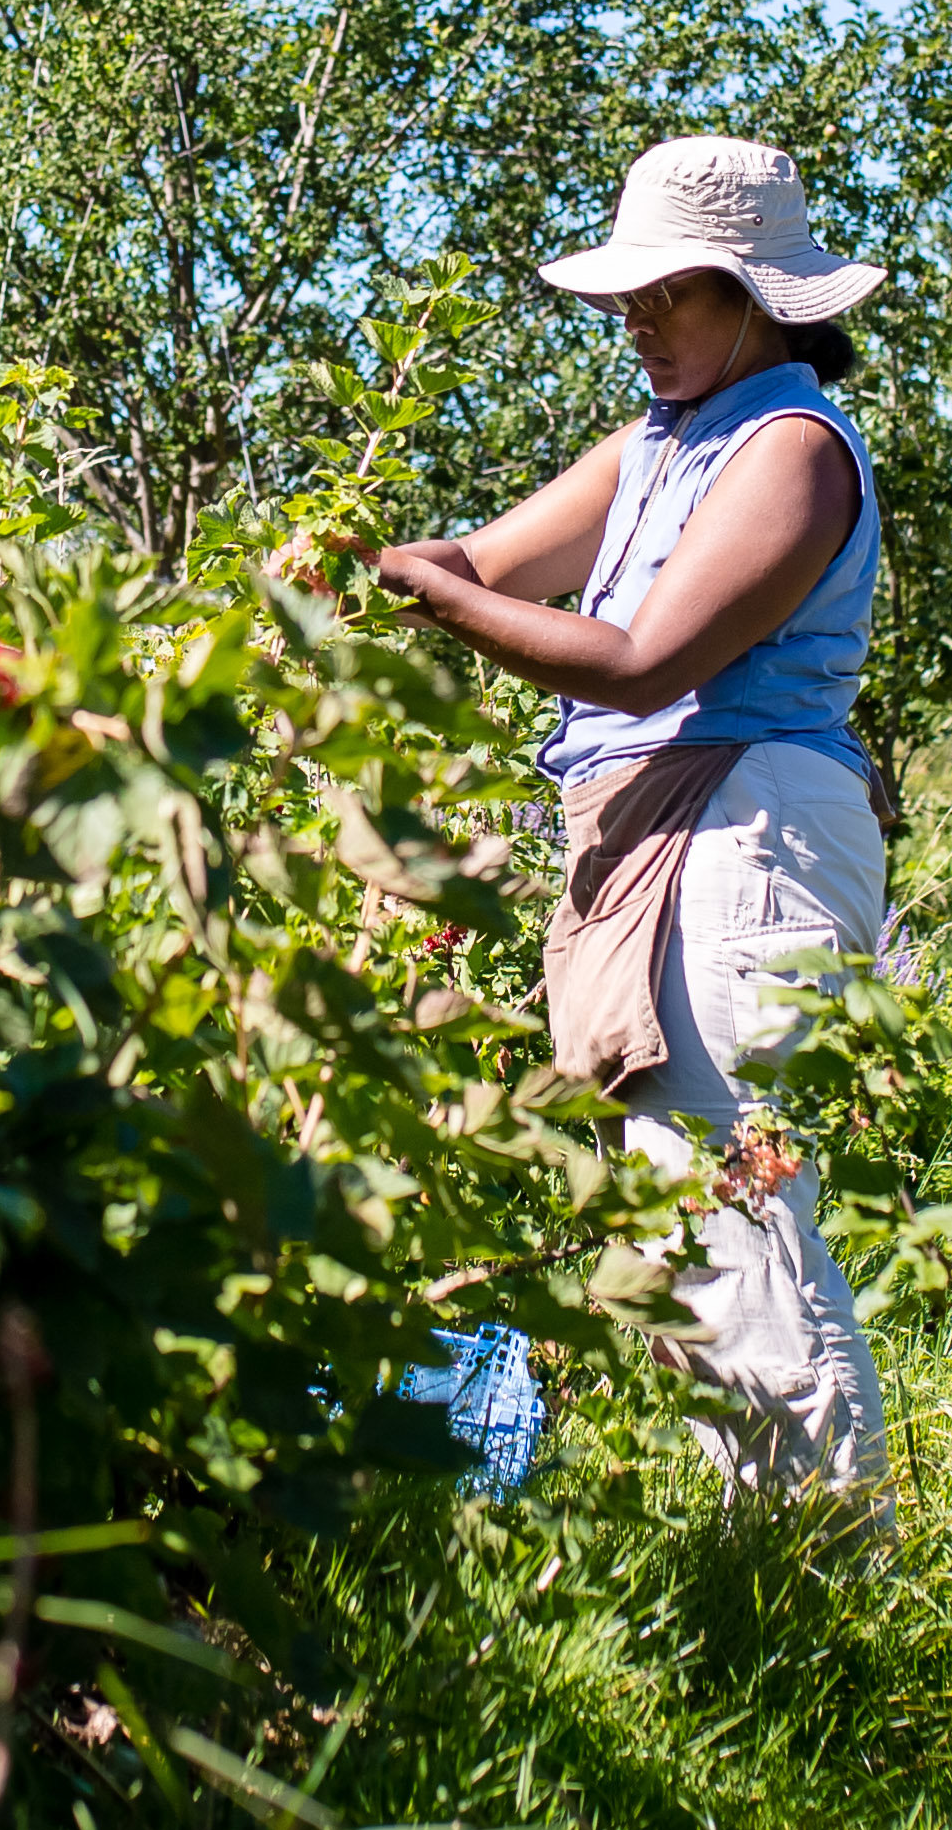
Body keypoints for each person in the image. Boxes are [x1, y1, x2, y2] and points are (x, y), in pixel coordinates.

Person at [361, 134, 895, 1513]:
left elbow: (639, 657)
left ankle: (828, 1572)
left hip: (744, 823)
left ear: (764, 297)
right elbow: (481, 562)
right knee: (683, 1226)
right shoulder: (655, 448)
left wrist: (431, 598)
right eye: (631, 295)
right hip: (666, 824)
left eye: (675, 292)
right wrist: (373, 569)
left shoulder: (788, 449)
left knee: (734, 1206)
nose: (639, 320)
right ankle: (772, 1565)